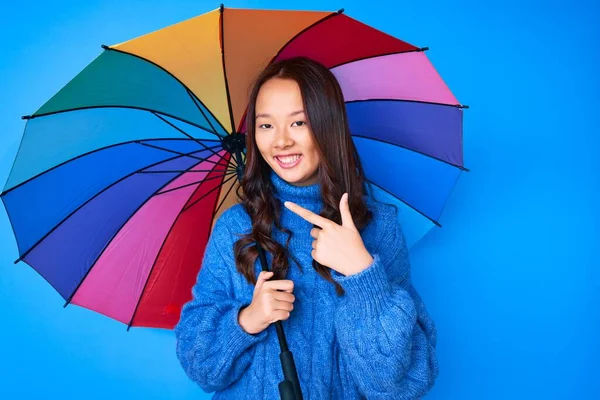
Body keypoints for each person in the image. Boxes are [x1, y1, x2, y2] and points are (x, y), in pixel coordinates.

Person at [174, 56, 439, 399]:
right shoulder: (237, 227)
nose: (280, 141)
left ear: (327, 126)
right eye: (266, 125)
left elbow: (403, 383)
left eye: (298, 123)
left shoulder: (377, 227)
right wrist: (247, 320)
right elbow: (200, 367)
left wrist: (362, 274)